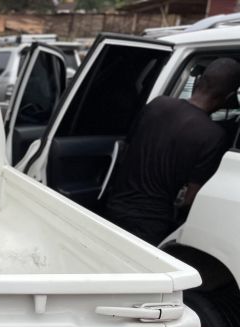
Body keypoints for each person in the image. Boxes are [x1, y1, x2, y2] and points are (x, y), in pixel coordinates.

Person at [103, 57, 240, 245]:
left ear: (198, 81)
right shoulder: (214, 136)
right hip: (150, 225)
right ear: (229, 97)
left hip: (114, 208)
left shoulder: (157, 104)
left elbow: (126, 149)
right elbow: (190, 198)